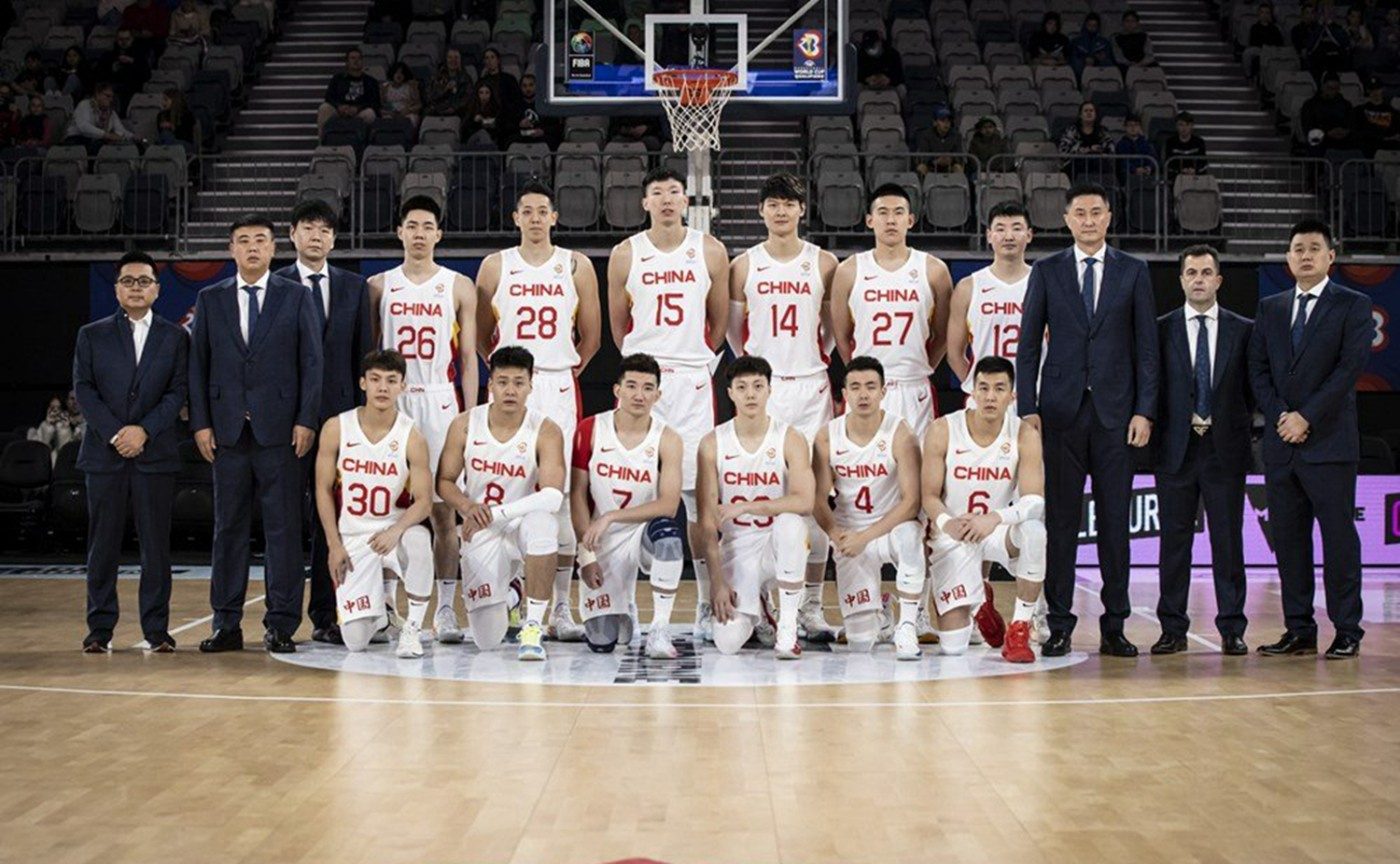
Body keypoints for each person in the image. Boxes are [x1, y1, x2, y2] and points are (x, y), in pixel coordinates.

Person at [1017, 182, 1158, 659]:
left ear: (1109, 216)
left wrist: (1144, 410)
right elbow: (1028, 344)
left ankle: (1115, 625)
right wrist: (1028, 408)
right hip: (1060, 414)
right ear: (1067, 219)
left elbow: (1147, 349)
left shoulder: (1134, 271)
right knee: (1060, 525)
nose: (1089, 220)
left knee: (1115, 525)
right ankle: (1059, 624)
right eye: (1080, 213)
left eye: (1096, 212)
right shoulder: (1047, 270)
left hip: (1117, 417)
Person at [189, 215, 323, 654]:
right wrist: (201, 423)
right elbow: (198, 366)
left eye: (260, 240)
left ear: (273, 248)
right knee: (227, 529)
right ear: (231, 249)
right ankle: (226, 624)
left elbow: (312, 363)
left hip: (282, 432)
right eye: (243, 240)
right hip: (227, 433)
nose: (252, 247)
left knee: (283, 530)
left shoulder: (296, 296)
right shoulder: (210, 298)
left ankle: (281, 623)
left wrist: (306, 419)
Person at [475, 182, 602, 642]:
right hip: (511, 383)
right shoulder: (496, 265)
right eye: (526, 211)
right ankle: (512, 591)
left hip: (556, 382)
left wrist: (558, 370)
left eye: (541, 211)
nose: (534, 218)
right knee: (510, 483)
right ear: (515, 218)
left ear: (554, 217)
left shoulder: (575, 263)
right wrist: (508, 376)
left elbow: (592, 336)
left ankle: (560, 608)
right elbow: (481, 334)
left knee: (560, 495)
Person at [606, 166, 730, 640]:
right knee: (632, 492)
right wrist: (644, 369)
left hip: (692, 382)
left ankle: (704, 602)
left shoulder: (710, 249)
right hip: (645, 382)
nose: (665, 200)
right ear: (645, 203)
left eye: (673, 192)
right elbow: (620, 328)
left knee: (698, 500)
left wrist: (693, 358)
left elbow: (718, 323)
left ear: (686, 200)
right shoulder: (626, 253)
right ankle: (623, 605)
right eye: (656, 193)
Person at [1247, 220, 1372, 660]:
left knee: (1339, 541)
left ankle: (1347, 629)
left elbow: (1348, 370)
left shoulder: (1353, 305)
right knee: (1289, 543)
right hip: (1282, 444)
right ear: (1288, 258)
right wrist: (1282, 415)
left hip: (1330, 445)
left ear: (1330, 257)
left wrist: (1307, 417)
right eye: (1298, 248)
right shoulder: (1271, 308)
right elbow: (1258, 369)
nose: (1305, 255)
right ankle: (1299, 628)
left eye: (1314, 248)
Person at [727, 173, 842, 642]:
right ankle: (763, 602)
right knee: (761, 493)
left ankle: (811, 605)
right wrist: (759, 372)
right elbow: (735, 332)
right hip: (765, 390)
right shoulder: (743, 265)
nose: (780, 211)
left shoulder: (824, 262)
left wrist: (812, 360)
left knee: (815, 500)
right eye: (772, 203)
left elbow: (832, 330)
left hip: (811, 387)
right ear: (760, 211)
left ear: (801, 209)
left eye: (788, 203)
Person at [369, 197, 477, 643]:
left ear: (438, 234)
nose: (419, 233)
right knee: (388, 508)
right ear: (400, 232)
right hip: (392, 402)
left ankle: (446, 609)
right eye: (411, 225)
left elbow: (468, 358)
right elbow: (371, 355)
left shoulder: (458, 285)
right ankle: (386, 607)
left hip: (439, 400)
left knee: (443, 512)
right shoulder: (379, 285)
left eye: (427, 226)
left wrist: (470, 415)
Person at [72, 252, 187, 653]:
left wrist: (144, 431)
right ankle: (98, 630)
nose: (136, 288)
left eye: (144, 281)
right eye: (128, 281)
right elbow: (84, 390)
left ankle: (157, 631)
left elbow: (178, 392)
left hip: (155, 456)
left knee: (155, 547)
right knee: (102, 546)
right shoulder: (92, 334)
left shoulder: (175, 337)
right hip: (104, 456)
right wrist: (117, 433)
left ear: (157, 289)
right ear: (117, 288)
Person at [275, 199, 373, 645]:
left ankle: (327, 614)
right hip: (286, 423)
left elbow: (363, 357)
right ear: (292, 235)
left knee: (333, 520)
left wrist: (362, 421)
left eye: (325, 230)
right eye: (308, 228)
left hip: (340, 423)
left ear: (334, 240)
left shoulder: (355, 287)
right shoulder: (274, 285)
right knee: (285, 520)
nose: (316, 236)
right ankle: (280, 619)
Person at [1153, 245, 1254, 657]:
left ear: (1218, 280)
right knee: (1173, 545)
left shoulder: (1243, 330)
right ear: (1181, 280)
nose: (1198, 279)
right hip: (1175, 450)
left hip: (1224, 450)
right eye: (1191, 272)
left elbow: (1253, 389)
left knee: (1228, 543)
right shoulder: (1161, 329)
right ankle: (1172, 629)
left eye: (1206, 272)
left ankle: (1232, 628)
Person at [436, 347, 566, 660]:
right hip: (480, 527)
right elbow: (444, 481)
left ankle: (532, 627)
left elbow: (552, 495)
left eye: (519, 383)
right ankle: (513, 593)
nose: (510, 390)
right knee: (486, 639)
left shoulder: (546, 429)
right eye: (503, 382)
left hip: (519, 523)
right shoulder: (465, 424)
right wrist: (467, 507)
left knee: (544, 524)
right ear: (490, 384)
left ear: (531, 385)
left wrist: (496, 513)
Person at [924, 357, 1048, 662]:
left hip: (995, 531)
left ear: (1012, 396)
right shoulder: (943, 429)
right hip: (954, 531)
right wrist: (947, 522)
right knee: (953, 645)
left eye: (999, 389)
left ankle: (1019, 627)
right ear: (972, 391)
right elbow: (929, 496)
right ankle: (981, 602)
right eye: (984, 388)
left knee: (1034, 532)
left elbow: (1035, 501)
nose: (990, 396)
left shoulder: (1024, 434)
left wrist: (994, 518)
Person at [313, 350, 434, 657]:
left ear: (402, 386)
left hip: (394, 532)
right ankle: (382, 616)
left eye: (391, 381)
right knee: (355, 641)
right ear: (363, 383)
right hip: (354, 536)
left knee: (419, 541)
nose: (383, 387)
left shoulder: (412, 436)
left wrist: (396, 530)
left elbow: (423, 503)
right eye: (376, 379)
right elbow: (323, 489)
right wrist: (334, 545)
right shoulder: (337, 428)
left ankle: (413, 629)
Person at [697, 356, 815, 658]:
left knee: (792, 523)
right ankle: (759, 607)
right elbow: (707, 523)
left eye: (758, 386)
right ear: (730, 393)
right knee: (727, 644)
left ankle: (787, 628)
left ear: (769, 390)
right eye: (742, 387)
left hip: (777, 545)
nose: (750, 394)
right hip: (737, 550)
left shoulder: (790, 438)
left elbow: (805, 500)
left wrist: (747, 507)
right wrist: (717, 581)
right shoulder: (712, 443)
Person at [571, 354, 686, 654]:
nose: (639, 395)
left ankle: (659, 629)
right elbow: (577, 494)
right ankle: (625, 605)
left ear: (658, 395)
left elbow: (669, 505)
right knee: (602, 642)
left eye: (648, 388)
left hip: (641, 532)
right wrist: (585, 555)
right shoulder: (590, 429)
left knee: (669, 536)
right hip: (600, 539)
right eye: (632, 386)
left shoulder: (668, 439)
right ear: (617, 390)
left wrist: (611, 515)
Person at [811, 357, 921, 655]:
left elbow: (912, 502)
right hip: (850, 534)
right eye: (856, 387)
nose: (863, 394)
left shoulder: (901, 433)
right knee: (860, 644)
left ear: (883, 391)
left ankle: (908, 626)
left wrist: (866, 536)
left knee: (912, 536)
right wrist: (836, 534)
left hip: (890, 529)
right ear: (844, 393)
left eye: (871, 387)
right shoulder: (827, 436)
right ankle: (881, 614)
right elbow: (818, 499)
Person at [830, 183, 953, 441]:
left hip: (913, 387)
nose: (890, 220)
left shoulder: (934, 270)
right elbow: (841, 336)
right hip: (867, 389)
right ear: (869, 220)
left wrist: (920, 366)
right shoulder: (849, 270)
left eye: (898, 212)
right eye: (883, 212)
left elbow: (942, 336)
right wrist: (861, 374)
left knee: (917, 463)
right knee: (861, 463)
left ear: (910, 220)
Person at [63, 83, 140, 154]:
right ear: (98, 94)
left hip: (97, 141)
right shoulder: (84, 105)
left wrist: (132, 137)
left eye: (112, 97)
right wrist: (106, 135)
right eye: (107, 96)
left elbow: (120, 130)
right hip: (77, 139)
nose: (111, 100)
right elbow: (83, 126)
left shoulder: (111, 113)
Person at [317, 48, 381, 132]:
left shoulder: (371, 81)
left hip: (360, 111)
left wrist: (357, 108)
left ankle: (366, 140)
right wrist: (339, 106)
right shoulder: (337, 79)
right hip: (340, 110)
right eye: (353, 58)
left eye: (359, 58)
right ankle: (323, 139)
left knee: (370, 113)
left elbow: (375, 103)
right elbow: (329, 98)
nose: (356, 61)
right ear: (347, 62)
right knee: (324, 108)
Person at [1300, 74, 1359, 153]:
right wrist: (1327, 133)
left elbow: (1352, 124)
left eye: (1335, 88)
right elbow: (1308, 129)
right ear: (1322, 87)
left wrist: (1345, 131)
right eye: (1329, 88)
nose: (1332, 91)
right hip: (1321, 139)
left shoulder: (1346, 105)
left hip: (1343, 139)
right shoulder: (1310, 105)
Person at [1058, 101, 1117, 178]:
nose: (1089, 113)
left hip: (1098, 166)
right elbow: (1063, 152)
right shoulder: (1072, 131)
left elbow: (1111, 150)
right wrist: (1089, 149)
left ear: (1095, 114)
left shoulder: (1102, 132)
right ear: (1080, 115)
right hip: (1075, 166)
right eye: (1086, 111)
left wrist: (1102, 153)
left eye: (1091, 111)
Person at [97, 29, 149, 112]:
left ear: (132, 39)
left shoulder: (139, 55)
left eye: (127, 39)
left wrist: (132, 61)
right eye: (121, 39)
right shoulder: (108, 55)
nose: (124, 42)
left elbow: (147, 75)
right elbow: (99, 74)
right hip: (113, 85)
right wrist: (112, 68)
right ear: (116, 40)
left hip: (132, 88)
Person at [1352, 77, 1400, 156]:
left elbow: (1395, 132)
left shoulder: (1393, 112)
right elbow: (1357, 132)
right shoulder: (1358, 111)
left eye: (1377, 89)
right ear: (1368, 91)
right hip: (1368, 148)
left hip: (1389, 149)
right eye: (1372, 90)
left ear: (1382, 90)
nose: (1375, 92)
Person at [423, 48, 473, 118]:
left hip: (458, 113)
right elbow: (429, 97)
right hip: (437, 112)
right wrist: (444, 89)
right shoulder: (436, 77)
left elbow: (467, 98)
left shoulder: (466, 78)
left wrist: (454, 108)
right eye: (450, 57)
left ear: (460, 60)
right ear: (446, 60)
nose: (453, 60)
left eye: (456, 58)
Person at [915, 105, 964, 175]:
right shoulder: (926, 135)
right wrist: (935, 161)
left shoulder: (956, 136)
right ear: (935, 122)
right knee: (921, 167)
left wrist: (951, 159)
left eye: (948, 121)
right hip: (931, 166)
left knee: (958, 168)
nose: (946, 124)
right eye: (942, 120)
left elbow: (959, 154)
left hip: (949, 166)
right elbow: (923, 154)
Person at [1162, 111, 1208, 181]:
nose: (1184, 128)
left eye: (1187, 125)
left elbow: (1203, 162)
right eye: (1181, 125)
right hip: (1176, 179)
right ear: (1176, 126)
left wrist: (1194, 170)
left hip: (1196, 177)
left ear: (1192, 126)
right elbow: (1169, 162)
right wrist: (1181, 170)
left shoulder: (1199, 142)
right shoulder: (1170, 142)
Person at [1246, 2, 1286, 79]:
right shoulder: (1254, 28)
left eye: (1267, 13)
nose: (1264, 15)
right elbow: (1253, 42)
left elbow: (1280, 43)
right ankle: (1249, 76)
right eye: (1262, 12)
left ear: (1270, 15)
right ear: (1259, 14)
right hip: (1260, 50)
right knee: (1248, 53)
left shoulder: (1275, 28)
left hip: (1273, 50)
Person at [380, 62, 422, 128]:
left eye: (401, 73)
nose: (399, 75)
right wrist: (388, 112)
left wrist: (408, 110)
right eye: (397, 73)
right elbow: (381, 105)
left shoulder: (411, 87)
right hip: (390, 113)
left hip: (408, 113)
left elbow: (418, 105)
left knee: (411, 119)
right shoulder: (385, 87)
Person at [156, 88, 195, 153]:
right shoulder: (161, 115)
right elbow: (160, 134)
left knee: (166, 135)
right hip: (166, 143)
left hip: (184, 144)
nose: (163, 103)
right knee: (165, 135)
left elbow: (186, 135)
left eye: (166, 100)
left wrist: (172, 127)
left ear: (174, 101)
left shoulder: (186, 114)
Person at [465, 82, 503, 148]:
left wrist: (492, 125)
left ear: (491, 94)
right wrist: (475, 122)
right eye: (481, 93)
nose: (484, 96)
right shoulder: (472, 108)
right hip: (473, 139)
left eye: (487, 93)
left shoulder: (496, 109)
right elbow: (465, 131)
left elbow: (500, 129)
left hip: (491, 139)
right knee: (482, 133)